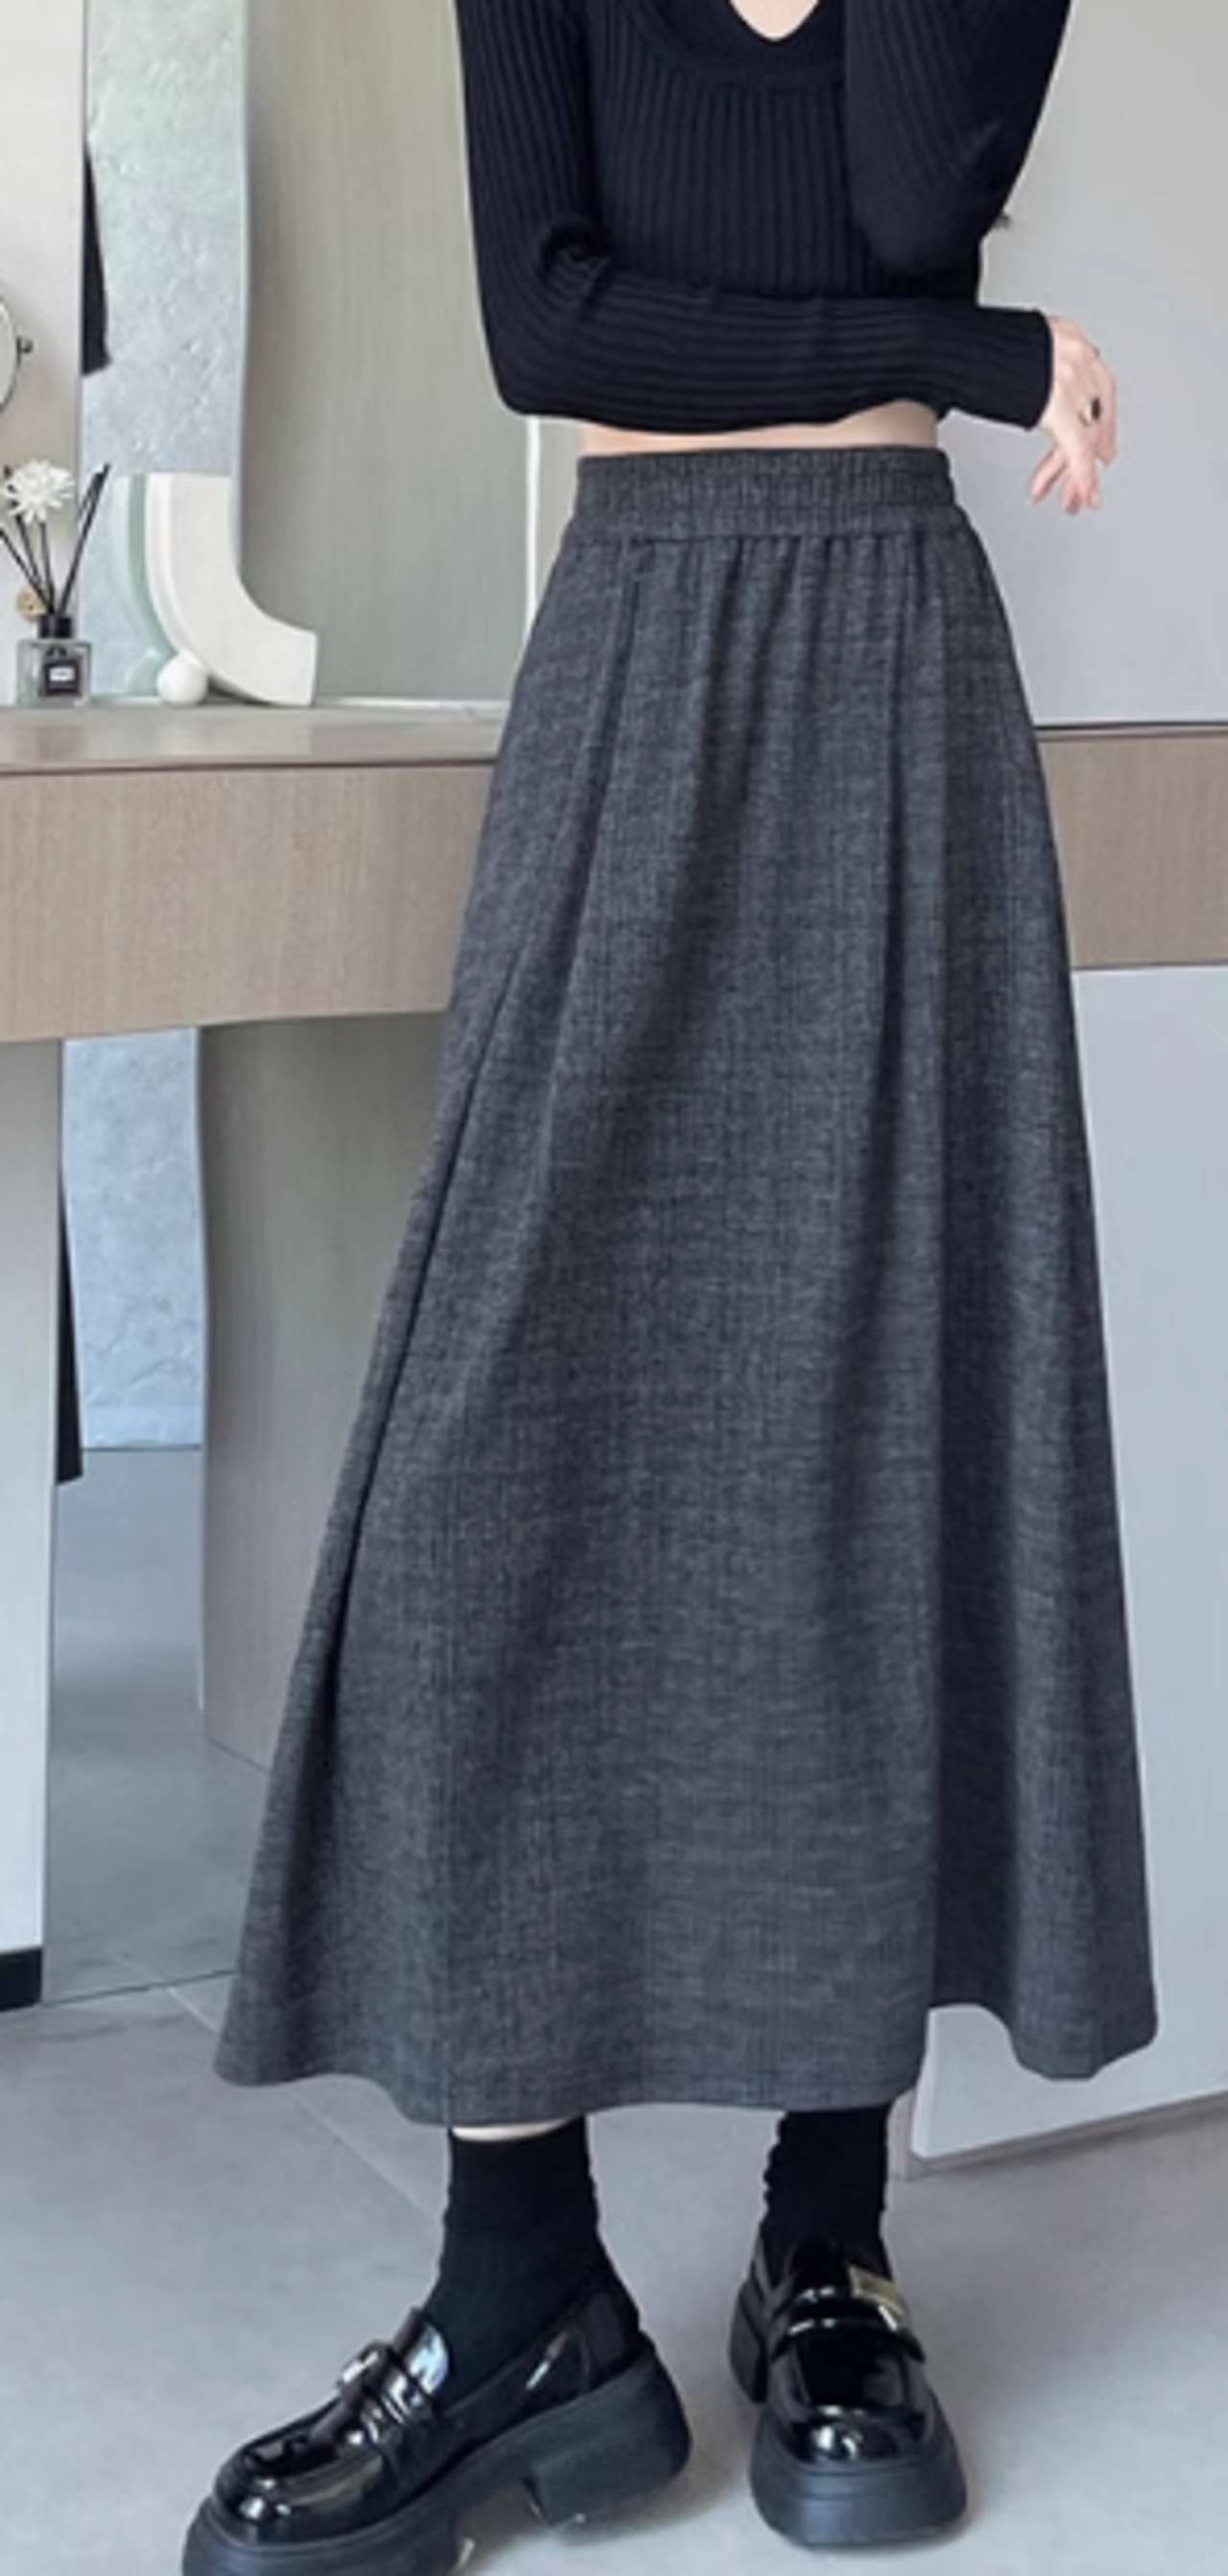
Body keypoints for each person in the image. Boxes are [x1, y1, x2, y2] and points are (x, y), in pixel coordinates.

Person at [182, 4, 1160, 2567]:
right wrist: (966, 356)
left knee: (869, 1445)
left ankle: (827, 2245)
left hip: (895, 680)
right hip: (637, 657)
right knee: (498, 1461)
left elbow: (900, 182)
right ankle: (524, 2286)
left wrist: (920, 319)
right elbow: (558, 323)